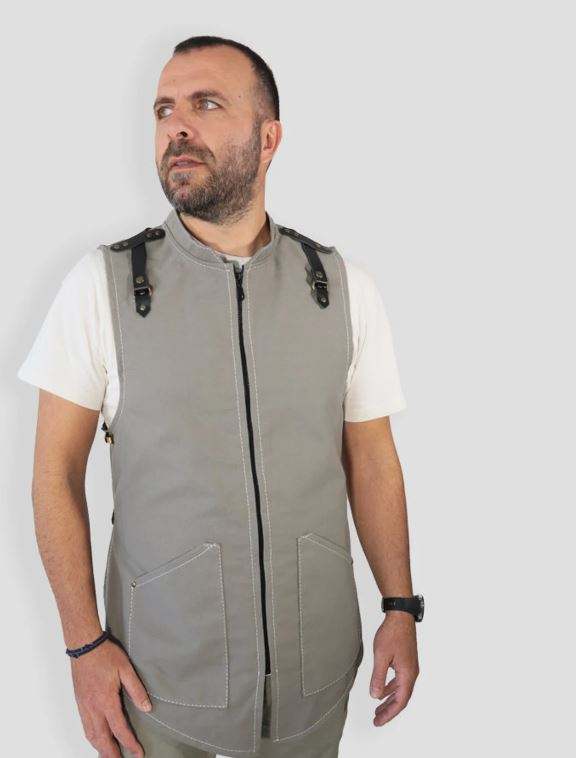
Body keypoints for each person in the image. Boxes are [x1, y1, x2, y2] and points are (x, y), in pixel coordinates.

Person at [17, 35, 422, 758]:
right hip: (160, 696)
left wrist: (399, 605)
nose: (177, 126)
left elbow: (372, 458)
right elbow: (53, 474)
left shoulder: (340, 288)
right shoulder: (103, 287)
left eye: (205, 105)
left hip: (315, 687)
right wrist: (83, 647)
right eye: (164, 109)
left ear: (268, 139)